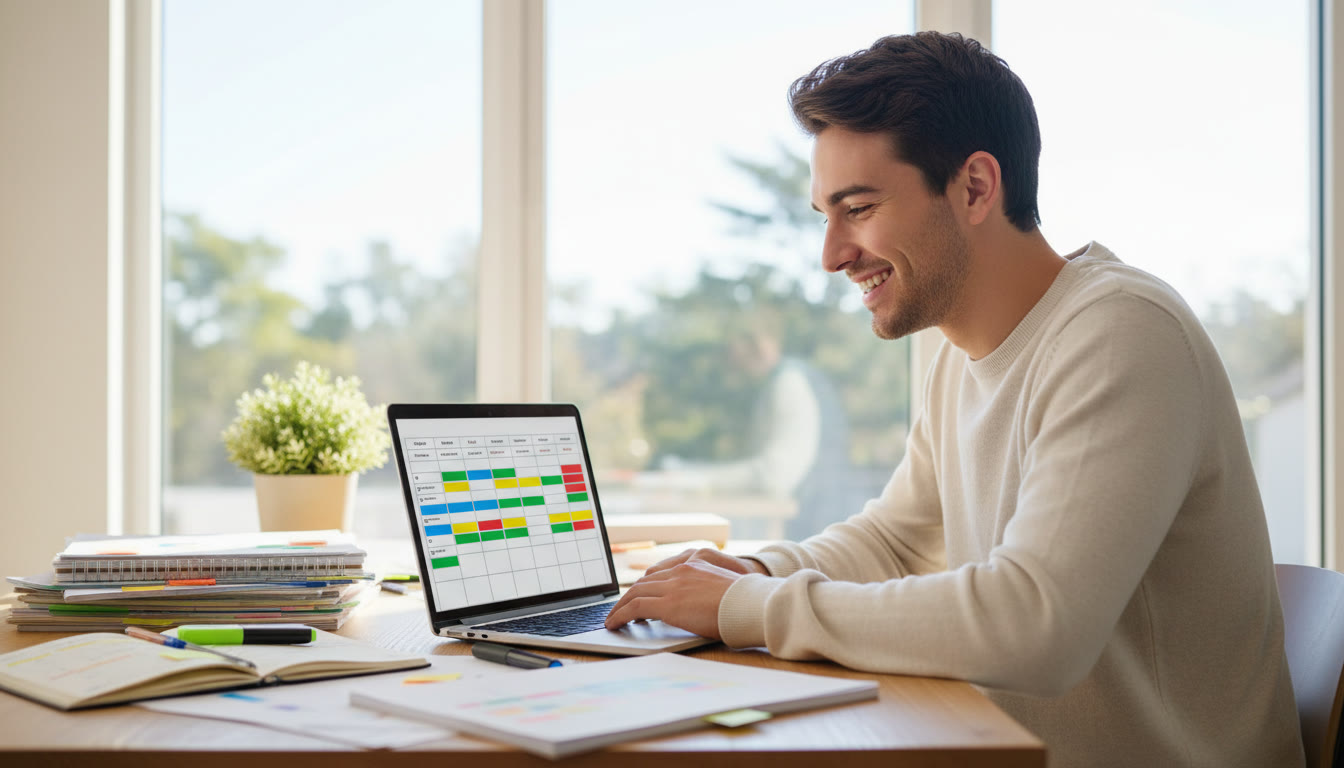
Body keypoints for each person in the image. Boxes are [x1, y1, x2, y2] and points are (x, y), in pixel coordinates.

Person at [605, 31, 1304, 768]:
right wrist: (752, 573)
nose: (832, 254)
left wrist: (745, 610)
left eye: (860, 208)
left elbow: (1036, 624)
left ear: (974, 187)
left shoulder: (1120, 333)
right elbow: (898, 542)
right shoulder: (960, 357)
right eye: (826, 216)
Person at [637, 316, 866, 540]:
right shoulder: (784, 381)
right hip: (814, 529)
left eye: (735, 348)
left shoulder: (789, 383)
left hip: (812, 533)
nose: (731, 358)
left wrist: (692, 476)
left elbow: (774, 477)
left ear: (761, 344)